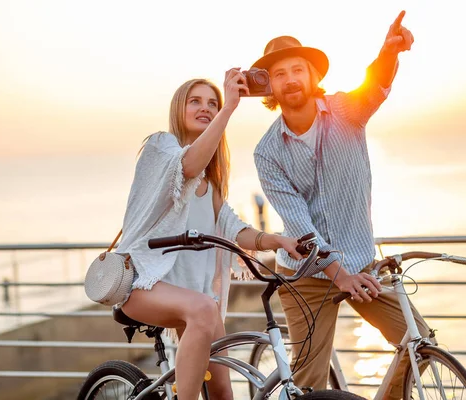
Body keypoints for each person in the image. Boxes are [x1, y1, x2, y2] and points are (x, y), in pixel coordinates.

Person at [252, 11, 430, 399]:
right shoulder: (267, 152)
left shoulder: (347, 111)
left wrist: (389, 53)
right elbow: (299, 227)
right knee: (309, 386)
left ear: (313, 76)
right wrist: (339, 275)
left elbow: (376, 85)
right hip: (305, 278)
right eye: (279, 74)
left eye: (298, 69)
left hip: (361, 264)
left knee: (420, 345)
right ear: (270, 88)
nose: (291, 79)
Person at [116, 71, 304, 400]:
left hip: (195, 297)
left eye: (212, 103)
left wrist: (279, 240)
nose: (206, 108)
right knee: (206, 309)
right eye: (196, 101)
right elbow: (186, 166)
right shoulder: (161, 147)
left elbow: (236, 230)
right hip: (142, 284)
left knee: (222, 390)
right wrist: (229, 108)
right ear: (179, 108)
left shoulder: (210, 185)